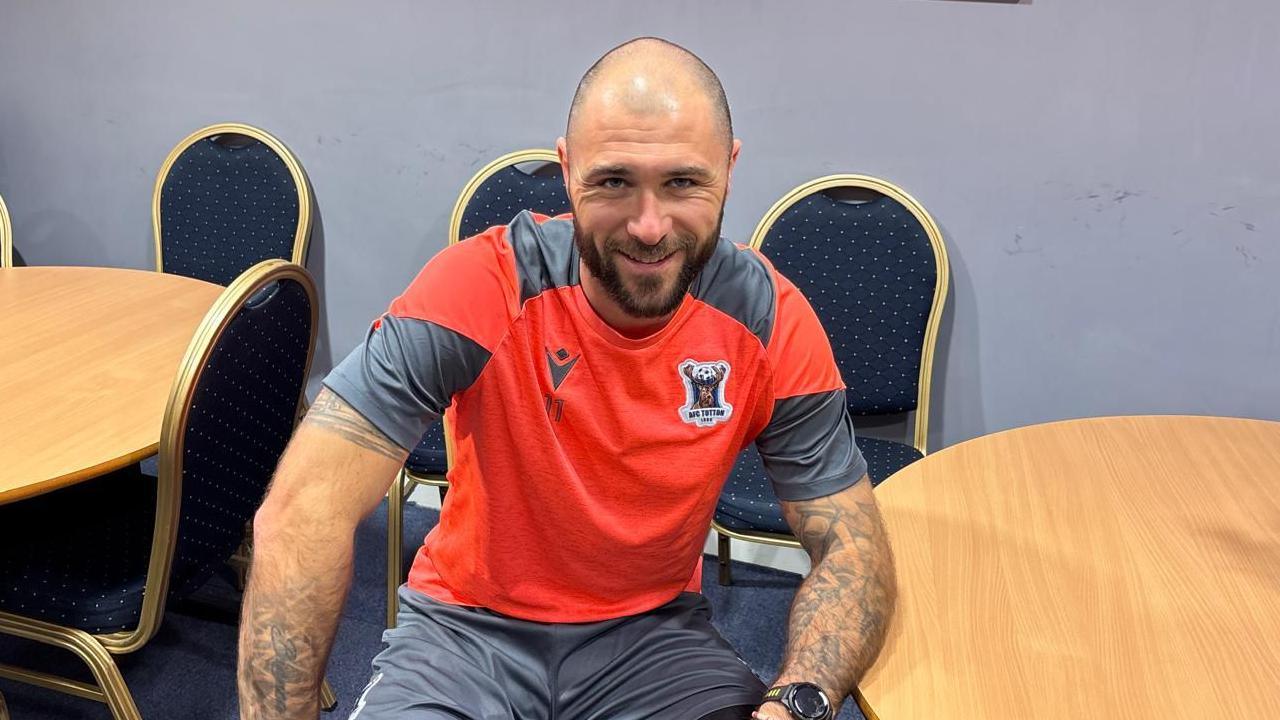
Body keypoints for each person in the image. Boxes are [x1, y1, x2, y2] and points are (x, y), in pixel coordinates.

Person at [237, 36, 896, 720]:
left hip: (655, 640)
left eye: (683, 182)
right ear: (567, 167)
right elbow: (303, 511)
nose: (648, 226)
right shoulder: (481, 286)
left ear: (728, 171)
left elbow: (853, 544)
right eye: (613, 181)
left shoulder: (769, 319)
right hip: (465, 635)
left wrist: (797, 701)